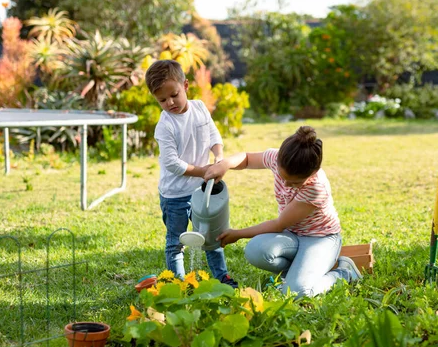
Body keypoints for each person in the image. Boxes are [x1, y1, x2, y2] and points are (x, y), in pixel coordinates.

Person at [204, 126, 361, 297]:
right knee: (255, 251)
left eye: (295, 183)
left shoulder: (316, 188)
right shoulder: (277, 158)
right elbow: (248, 158)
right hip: (292, 235)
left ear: (312, 173)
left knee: (298, 292)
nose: (286, 185)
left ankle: (344, 272)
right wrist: (225, 164)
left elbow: (278, 225)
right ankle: (300, 272)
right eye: (283, 177)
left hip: (320, 238)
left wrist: (238, 234)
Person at [145, 59, 238, 288]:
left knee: (211, 237)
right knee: (175, 242)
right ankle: (177, 284)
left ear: (185, 86)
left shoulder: (199, 108)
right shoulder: (165, 126)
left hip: (201, 191)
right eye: (162, 100)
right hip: (175, 195)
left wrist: (218, 157)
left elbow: (214, 135)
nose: (170, 103)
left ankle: (221, 277)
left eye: (174, 95)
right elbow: (172, 164)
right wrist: (204, 171)